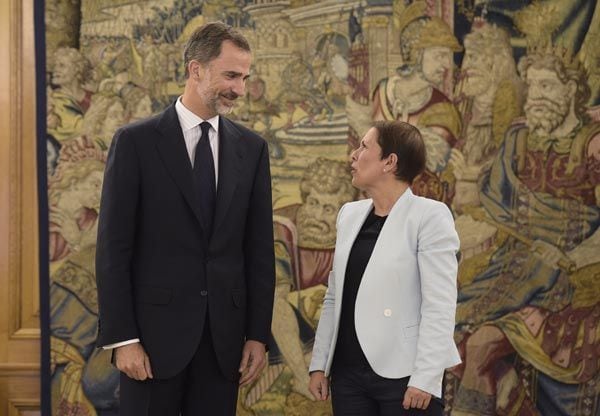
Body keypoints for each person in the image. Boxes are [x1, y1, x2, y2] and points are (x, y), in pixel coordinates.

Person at [95, 22, 276, 416]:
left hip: (224, 344)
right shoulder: (135, 143)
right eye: (231, 75)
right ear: (196, 70)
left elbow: (259, 250)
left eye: (244, 77)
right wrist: (122, 338)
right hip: (149, 343)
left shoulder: (252, 149)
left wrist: (257, 336)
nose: (240, 89)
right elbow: (113, 248)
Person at [308, 120, 461, 415]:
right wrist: (319, 363)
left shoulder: (430, 216)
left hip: (405, 375)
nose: (354, 155)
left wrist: (426, 377)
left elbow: (439, 304)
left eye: (364, 146)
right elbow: (334, 296)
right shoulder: (349, 215)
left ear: (390, 162)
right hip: (348, 375)